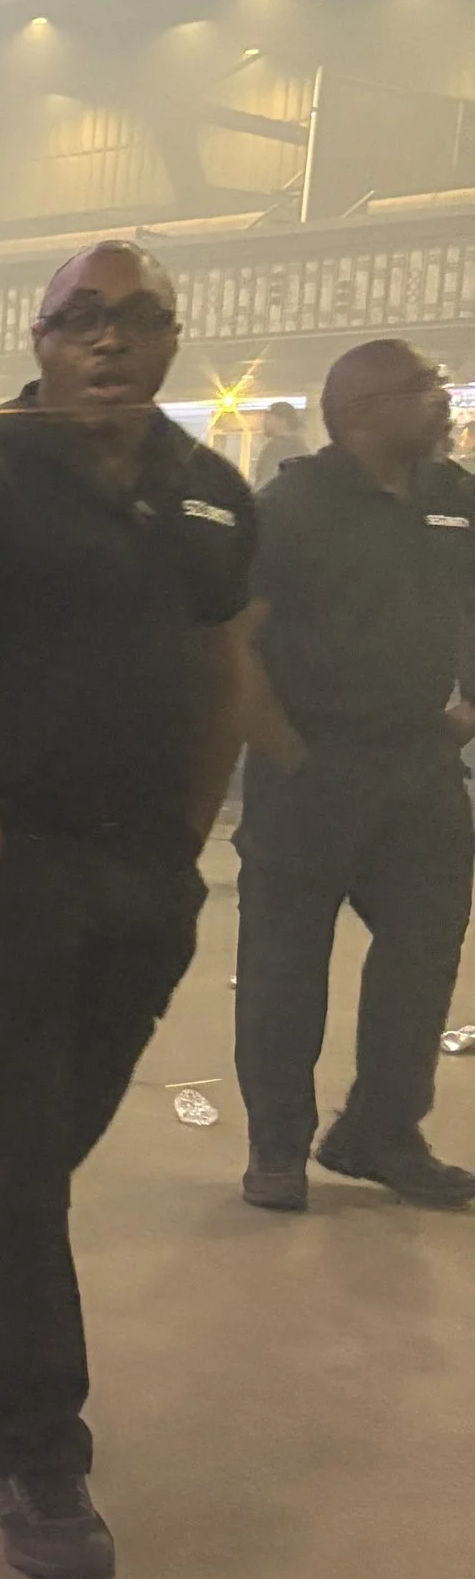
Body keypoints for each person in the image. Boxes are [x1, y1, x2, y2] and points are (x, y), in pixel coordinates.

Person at [0, 243, 256, 1579]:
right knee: (19, 1156)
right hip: (1, 868)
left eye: (137, 320)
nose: (109, 342)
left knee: (32, 1139)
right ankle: (38, 1452)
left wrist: (181, 852)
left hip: (142, 868)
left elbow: (221, 676)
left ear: (172, 337)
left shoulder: (209, 494)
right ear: (39, 338)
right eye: (81, 319)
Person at [231, 340, 475, 1210]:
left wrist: (466, 714)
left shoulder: (453, 498)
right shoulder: (291, 508)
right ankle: (277, 1147)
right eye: (425, 385)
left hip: (419, 763)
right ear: (362, 409)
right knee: (286, 962)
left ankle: (381, 1131)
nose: (443, 396)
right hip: (312, 767)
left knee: (425, 947)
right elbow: (233, 645)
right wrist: (289, 753)